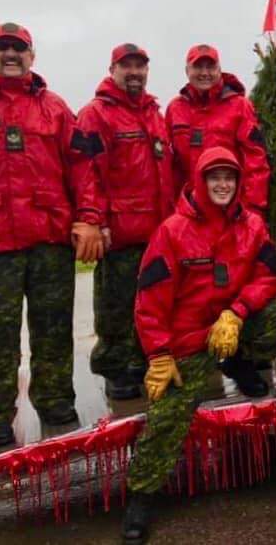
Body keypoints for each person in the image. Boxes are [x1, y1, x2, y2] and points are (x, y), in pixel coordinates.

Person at [0, 22, 104, 447]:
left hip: (48, 242)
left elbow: (83, 168)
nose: (11, 54)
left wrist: (87, 218)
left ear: (32, 56)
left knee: (53, 329)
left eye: (19, 48)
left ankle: (55, 402)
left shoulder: (56, 108)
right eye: (2, 47)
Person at [122, 146, 276, 543]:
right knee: (168, 417)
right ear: (200, 182)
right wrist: (159, 354)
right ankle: (141, 495)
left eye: (230, 177)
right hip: (186, 342)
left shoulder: (252, 226)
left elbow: (271, 276)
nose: (223, 184)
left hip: (231, 327)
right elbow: (149, 301)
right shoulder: (172, 231)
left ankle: (237, 361)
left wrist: (236, 312)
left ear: (238, 183)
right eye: (215, 177)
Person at [77, 43, 174, 400]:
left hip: (157, 232)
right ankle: (115, 368)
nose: (134, 72)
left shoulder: (153, 114)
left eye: (140, 66)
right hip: (118, 234)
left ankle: (141, 361)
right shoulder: (96, 114)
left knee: (151, 303)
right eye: (127, 66)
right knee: (116, 305)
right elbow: (87, 172)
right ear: (112, 69)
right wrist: (94, 221)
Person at [166, 44, 270, 215]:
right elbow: (168, 165)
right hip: (189, 211)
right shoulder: (174, 109)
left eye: (210, 67)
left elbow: (256, 161)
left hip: (228, 208)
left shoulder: (240, 106)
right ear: (187, 70)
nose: (205, 73)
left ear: (219, 69)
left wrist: (252, 209)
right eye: (198, 67)